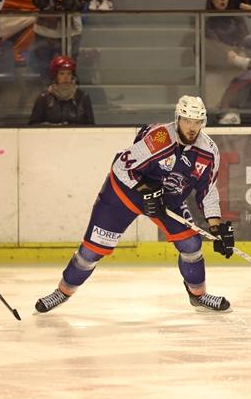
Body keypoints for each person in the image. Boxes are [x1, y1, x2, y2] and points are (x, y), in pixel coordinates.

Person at [34, 96, 235, 313]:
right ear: (177, 118)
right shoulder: (160, 137)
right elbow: (121, 166)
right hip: (124, 193)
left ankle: (198, 295)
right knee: (91, 252)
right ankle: (63, 291)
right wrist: (147, 190)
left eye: (197, 122)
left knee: (191, 245)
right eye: (187, 120)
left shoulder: (209, 151)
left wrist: (216, 228)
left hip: (165, 200)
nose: (192, 127)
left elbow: (208, 190)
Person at [28, 55, 94, 124]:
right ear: (55, 76)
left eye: (69, 74)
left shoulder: (83, 97)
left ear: (73, 76)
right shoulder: (44, 98)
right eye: (62, 74)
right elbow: (33, 125)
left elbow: (91, 126)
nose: (66, 77)